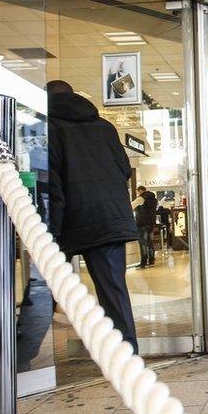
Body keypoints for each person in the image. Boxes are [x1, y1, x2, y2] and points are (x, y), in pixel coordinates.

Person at [47, 80, 139, 353]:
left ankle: (23, 356)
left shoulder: (50, 128)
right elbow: (125, 169)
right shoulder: (105, 127)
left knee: (44, 289)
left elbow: (52, 184)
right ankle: (127, 356)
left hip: (70, 219)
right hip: (109, 218)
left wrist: (50, 233)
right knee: (114, 292)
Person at [131, 185, 157, 268]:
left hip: (142, 224)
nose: (137, 194)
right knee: (150, 243)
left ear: (139, 191)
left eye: (137, 192)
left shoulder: (141, 198)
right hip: (151, 224)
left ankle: (143, 262)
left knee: (143, 243)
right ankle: (152, 261)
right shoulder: (153, 199)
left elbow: (130, 207)